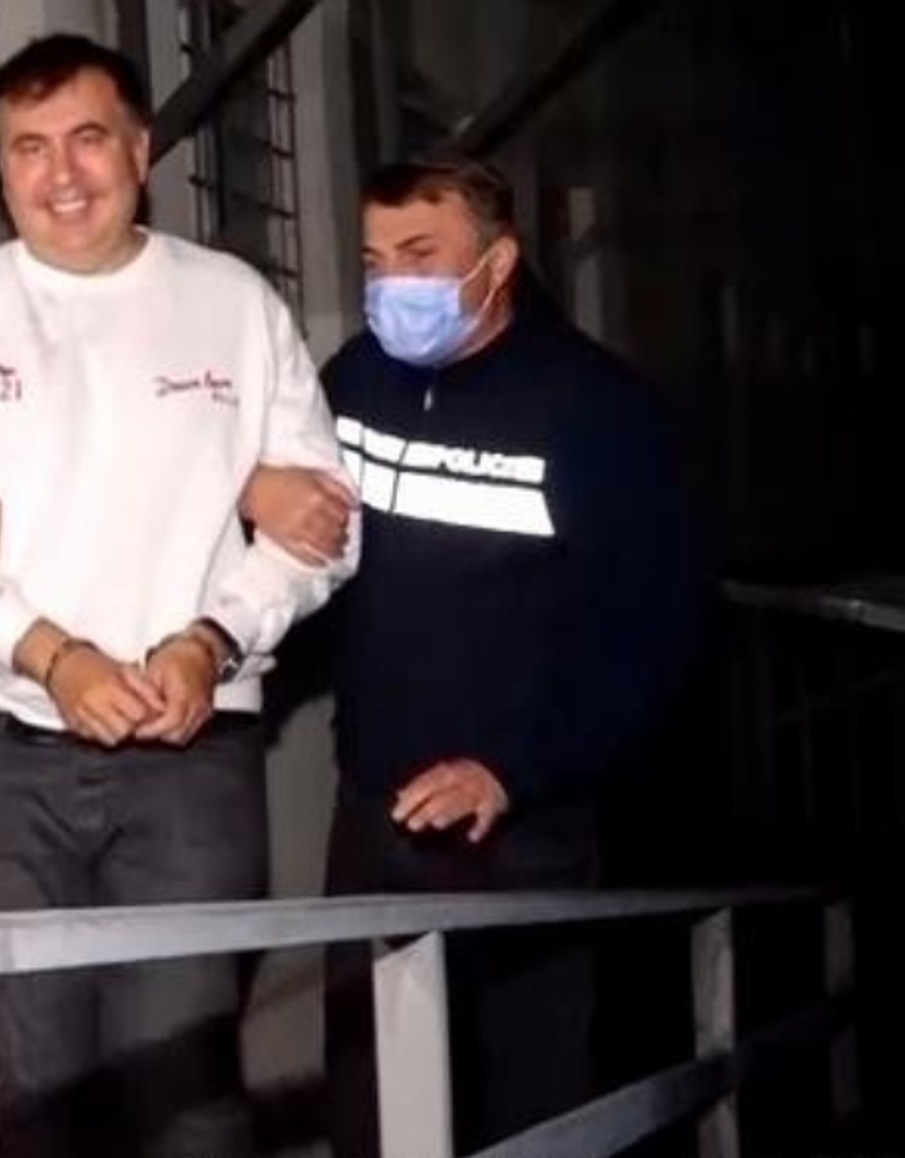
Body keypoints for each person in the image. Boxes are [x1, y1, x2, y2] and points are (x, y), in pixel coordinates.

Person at [0, 33, 359, 1158]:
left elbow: (320, 532)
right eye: (27, 147)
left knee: (183, 1086)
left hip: (191, 765)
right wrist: (53, 655)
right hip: (8, 762)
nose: (60, 175)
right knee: (37, 1090)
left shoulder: (233, 305)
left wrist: (213, 640)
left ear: (141, 150)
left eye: (88, 140)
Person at [254, 155, 701, 1156]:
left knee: (528, 1106)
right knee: (371, 1104)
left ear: (496, 263)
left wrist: (515, 768)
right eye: (374, 261)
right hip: (373, 813)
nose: (391, 285)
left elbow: (655, 635)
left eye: (420, 255)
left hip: (523, 828)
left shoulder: (596, 412)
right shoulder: (353, 383)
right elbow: (310, 558)